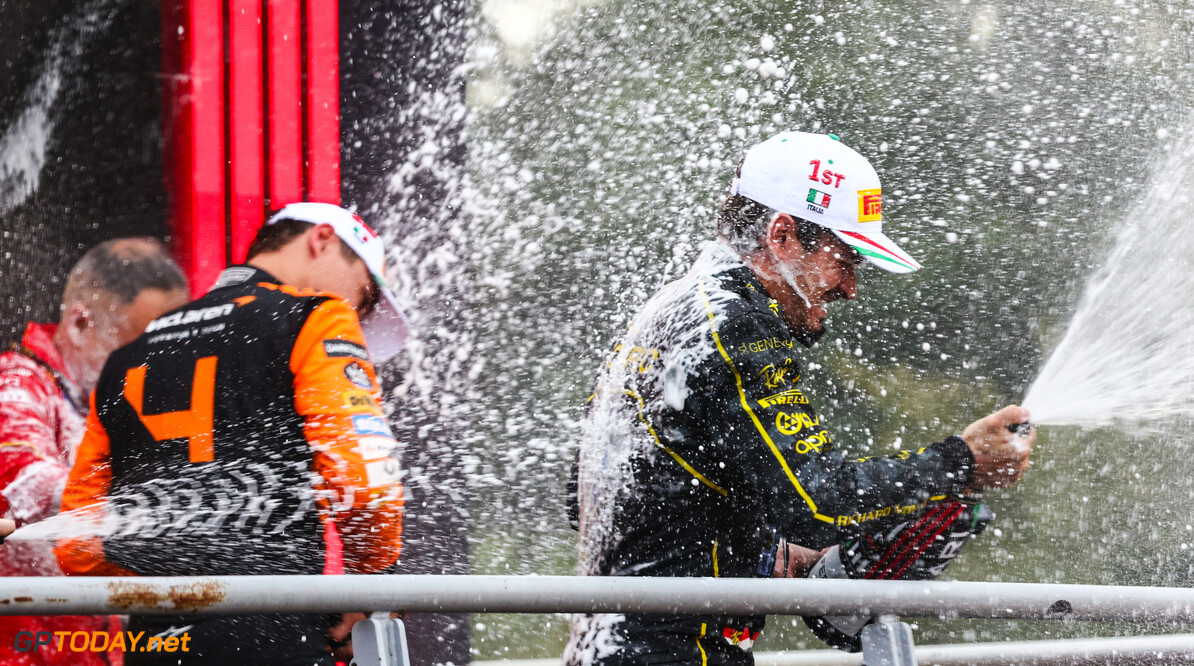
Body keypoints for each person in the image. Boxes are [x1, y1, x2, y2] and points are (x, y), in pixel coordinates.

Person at [565, 131, 1035, 666]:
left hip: (612, 647)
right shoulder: (736, 326)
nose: (851, 287)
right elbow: (818, 502)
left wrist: (766, 557)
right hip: (675, 654)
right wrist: (962, 461)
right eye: (847, 259)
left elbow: (598, 500)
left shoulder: (669, 312)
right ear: (783, 236)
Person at [55, 203, 410, 665]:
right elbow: (366, 487)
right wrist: (373, 583)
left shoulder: (128, 356)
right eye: (362, 294)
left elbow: (78, 546)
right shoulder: (316, 317)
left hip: (156, 648)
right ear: (321, 239)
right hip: (273, 641)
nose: (358, 314)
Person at [0, 238, 189, 666]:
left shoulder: (107, 398)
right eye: (138, 348)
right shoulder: (17, 378)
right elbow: (22, 478)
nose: (154, 365)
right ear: (81, 322)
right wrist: (145, 510)